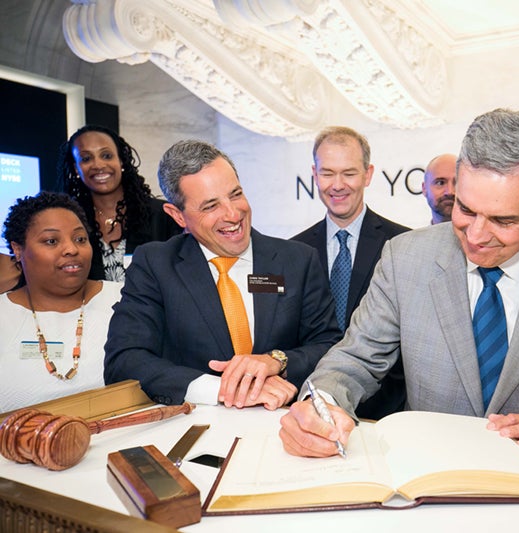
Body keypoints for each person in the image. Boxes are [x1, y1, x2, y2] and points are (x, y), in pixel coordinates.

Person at [279, 109, 519, 457]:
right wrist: (320, 402)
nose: (476, 236)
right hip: (425, 472)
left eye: (503, 221)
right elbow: (356, 358)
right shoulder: (405, 258)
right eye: (466, 209)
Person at [104, 140, 341, 409]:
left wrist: (278, 361)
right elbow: (123, 360)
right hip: (196, 433)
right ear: (177, 216)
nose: (232, 214)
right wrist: (221, 389)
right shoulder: (156, 265)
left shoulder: (299, 260)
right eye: (210, 206)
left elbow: (329, 345)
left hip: (284, 426)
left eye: (236, 194)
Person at [292, 126, 409, 419]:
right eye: (327, 173)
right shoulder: (293, 251)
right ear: (314, 174)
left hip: (386, 410)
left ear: (368, 175)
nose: (337, 184)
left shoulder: (402, 245)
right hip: (310, 404)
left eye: (349, 173)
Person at [1, 192, 122, 412]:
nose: (71, 249)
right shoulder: (3, 315)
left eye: (80, 239)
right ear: (18, 250)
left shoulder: (124, 299)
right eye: (51, 241)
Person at [57, 124, 182, 282]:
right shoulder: (70, 222)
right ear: (76, 168)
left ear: (121, 160)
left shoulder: (163, 215)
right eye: (86, 158)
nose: (98, 165)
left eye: (107, 155)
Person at [422, 153, 457, 224]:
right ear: (424, 189)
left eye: (457, 183)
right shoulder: (413, 235)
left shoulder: (484, 234)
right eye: (440, 183)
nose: (450, 191)